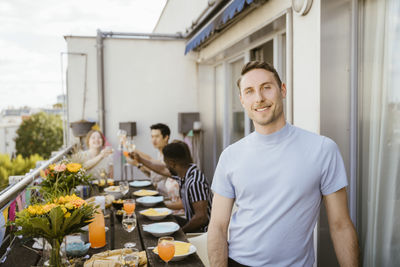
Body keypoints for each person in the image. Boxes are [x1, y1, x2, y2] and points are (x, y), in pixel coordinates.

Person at [208, 61, 359, 267]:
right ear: (242, 100)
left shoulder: (322, 149)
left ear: (283, 90)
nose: (259, 98)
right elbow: (217, 226)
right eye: (250, 91)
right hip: (239, 263)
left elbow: (341, 225)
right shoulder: (230, 156)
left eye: (266, 88)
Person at [161, 141, 212, 233]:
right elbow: (160, 170)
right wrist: (140, 161)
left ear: (172, 163)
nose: (166, 166)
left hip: (202, 232)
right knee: (163, 220)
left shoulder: (195, 182)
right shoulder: (184, 175)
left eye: (166, 163)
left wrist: (180, 232)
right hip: (193, 224)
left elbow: (201, 218)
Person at [127, 123, 180, 202]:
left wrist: (137, 164)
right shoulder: (160, 153)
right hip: (159, 194)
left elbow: (155, 174)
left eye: (157, 136)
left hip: (167, 199)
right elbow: (151, 162)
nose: (153, 140)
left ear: (166, 137)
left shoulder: (170, 155)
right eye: (152, 136)